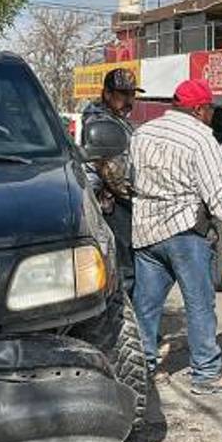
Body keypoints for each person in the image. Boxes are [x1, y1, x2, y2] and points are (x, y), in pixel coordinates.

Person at [130, 78, 222, 395]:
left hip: (146, 230)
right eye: (209, 110)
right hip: (186, 232)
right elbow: (217, 196)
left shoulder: (142, 133)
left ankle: (144, 369)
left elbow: (130, 179)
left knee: (146, 308)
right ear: (200, 109)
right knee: (199, 304)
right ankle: (205, 373)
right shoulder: (202, 139)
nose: (210, 116)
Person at [82, 67, 141, 294]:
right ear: (107, 94)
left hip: (120, 199)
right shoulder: (98, 120)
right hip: (111, 202)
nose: (129, 100)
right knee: (124, 269)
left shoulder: (117, 119)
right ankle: (124, 321)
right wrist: (140, 195)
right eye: (122, 94)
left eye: (132, 94)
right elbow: (113, 172)